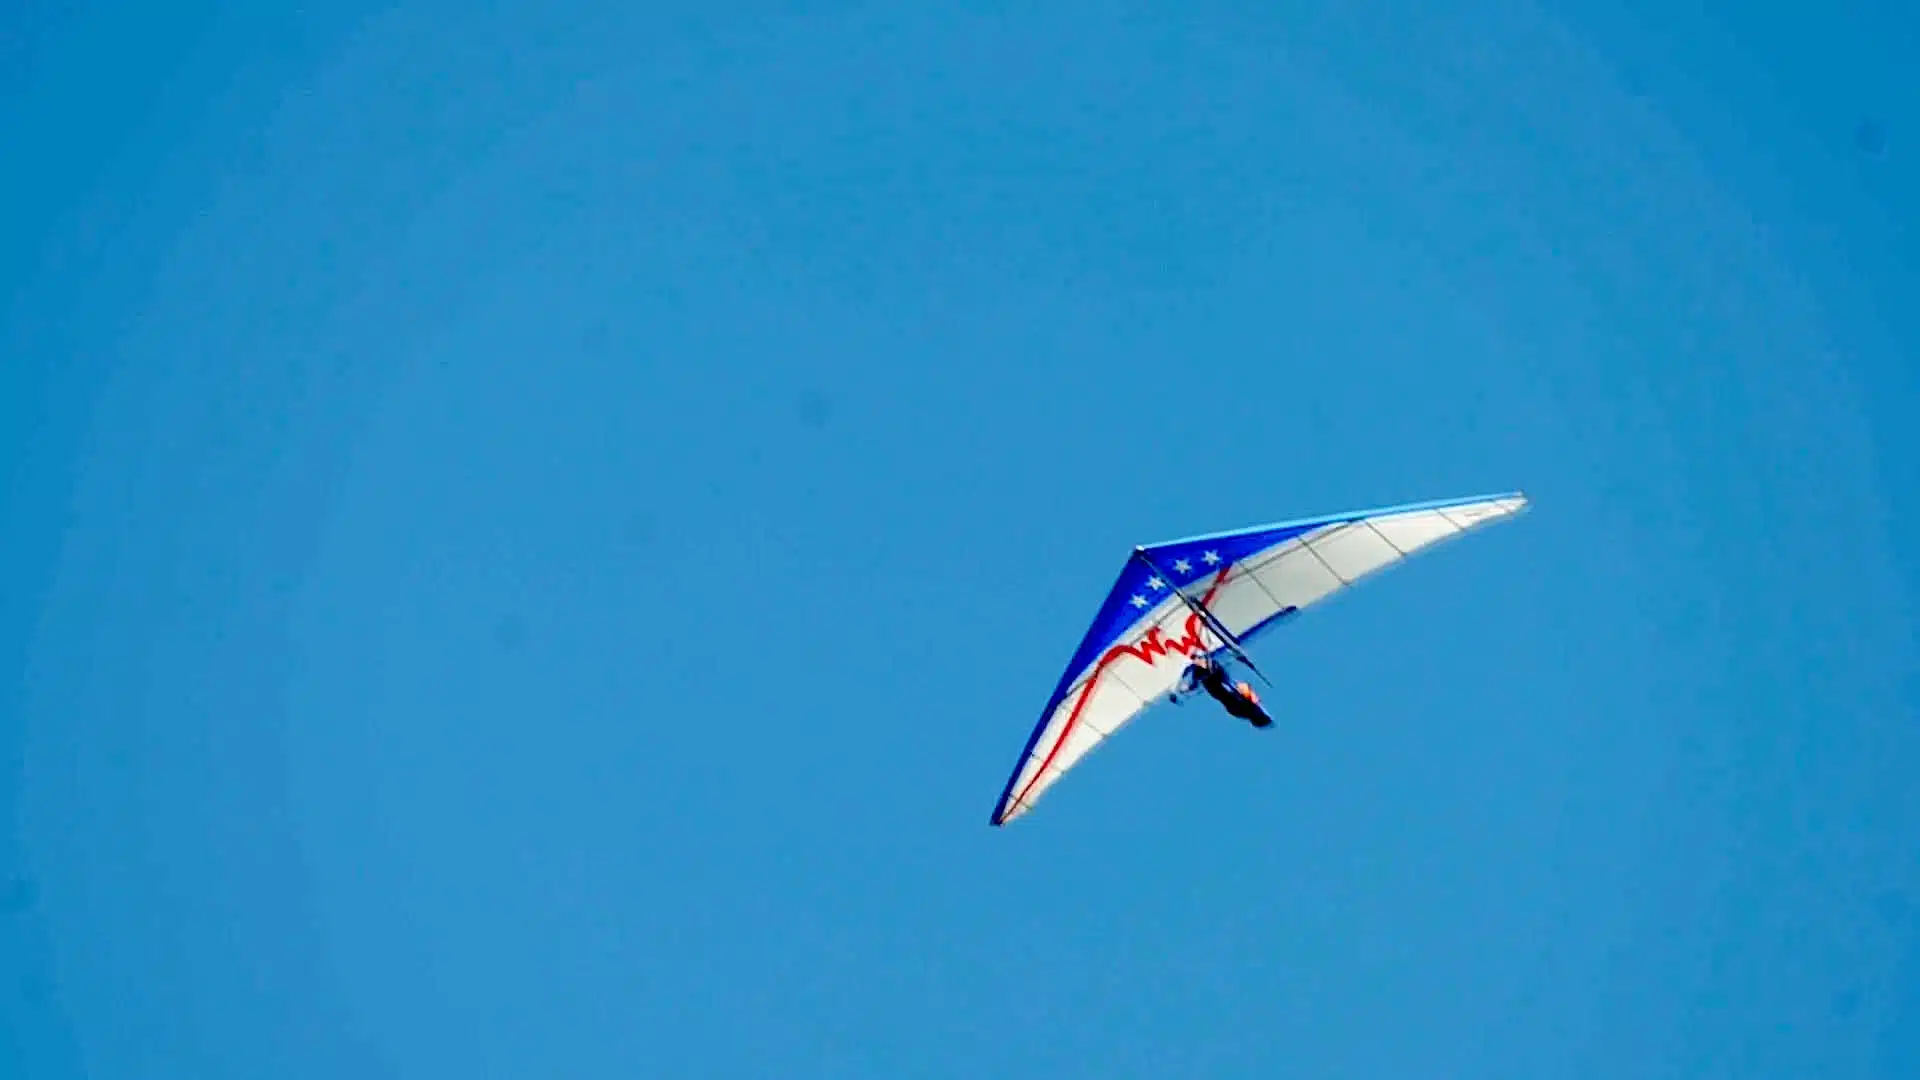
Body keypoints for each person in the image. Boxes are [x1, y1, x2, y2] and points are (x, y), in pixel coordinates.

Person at [1177, 651, 1273, 728]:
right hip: (1220, 684)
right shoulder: (1248, 708)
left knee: (1208, 676)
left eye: (1261, 714)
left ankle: (1188, 683)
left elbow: (1238, 693)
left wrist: (1247, 693)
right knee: (1211, 674)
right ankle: (1193, 676)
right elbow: (1243, 688)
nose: (1261, 711)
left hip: (1218, 686)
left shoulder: (1246, 710)